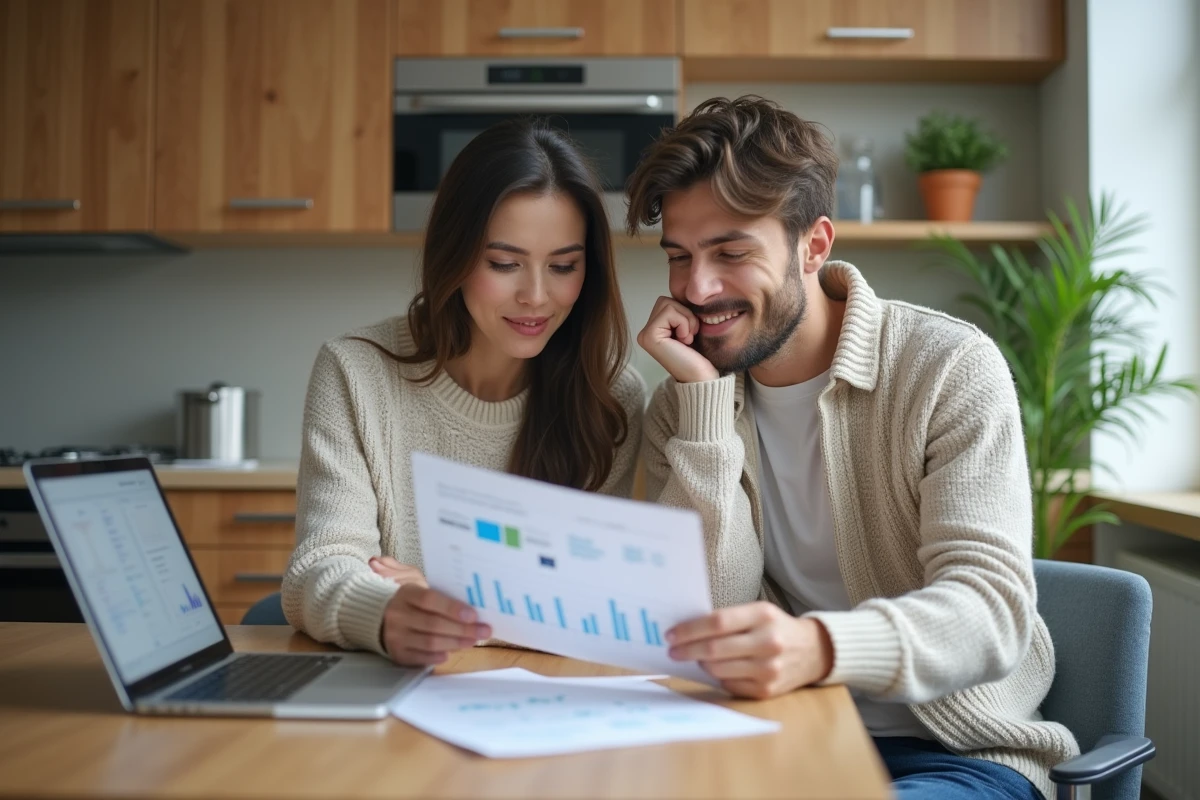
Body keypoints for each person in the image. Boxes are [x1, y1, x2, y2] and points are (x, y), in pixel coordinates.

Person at [625, 96, 1077, 800]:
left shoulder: (947, 367)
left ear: (814, 243)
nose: (696, 288)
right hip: (777, 738)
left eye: (731, 252)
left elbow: (992, 612)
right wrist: (705, 410)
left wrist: (822, 648)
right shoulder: (684, 405)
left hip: (959, 753)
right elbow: (710, 610)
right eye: (679, 257)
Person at [282, 119, 644, 668]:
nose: (537, 297)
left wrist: (455, 606)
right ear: (454, 254)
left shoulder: (610, 396)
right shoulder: (356, 371)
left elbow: (596, 605)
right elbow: (321, 565)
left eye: (564, 266)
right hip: (400, 701)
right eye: (504, 264)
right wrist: (389, 612)